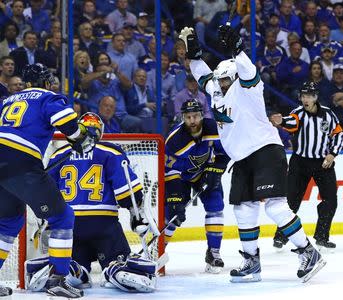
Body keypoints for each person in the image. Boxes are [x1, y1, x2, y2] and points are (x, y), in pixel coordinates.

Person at [180, 25, 326, 282]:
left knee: (275, 206)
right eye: (220, 80)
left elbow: (249, 70)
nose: (222, 84)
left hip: (266, 151)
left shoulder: (248, 87)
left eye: (226, 80)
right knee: (243, 209)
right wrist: (193, 53)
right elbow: (202, 73)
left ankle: (308, 252)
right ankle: (251, 262)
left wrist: (237, 49)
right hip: (241, 158)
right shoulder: (216, 88)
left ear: (235, 77)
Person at [25, 112, 156, 293]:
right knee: (117, 260)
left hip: (68, 225)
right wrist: (137, 216)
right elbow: (128, 192)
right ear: (99, 133)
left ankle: (71, 271)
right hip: (103, 224)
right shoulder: (110, 152)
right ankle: (116, 270)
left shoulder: (59, 154)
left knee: (75, 263)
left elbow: (44, 192)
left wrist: (45, 219)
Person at [0, 63, 95, 298]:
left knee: (8, 223)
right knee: (63, 216)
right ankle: (58, 280)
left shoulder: (8, 100)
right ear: (44, 81)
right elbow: (67, 122)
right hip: (21, 162)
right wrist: (80, 137)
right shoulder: (47, 96)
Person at [270, 81, 343, 250]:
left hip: (323, 164)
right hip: (300, 163)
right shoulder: (298, 113)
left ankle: (322, 236)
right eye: (303, 96)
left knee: (330, 200)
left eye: (309, 96)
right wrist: (281, 121)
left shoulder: (328, 114)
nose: (306, 99)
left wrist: (332, 154)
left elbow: (338, 134)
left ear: (316, 97)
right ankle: (281, 236)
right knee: (291, 201)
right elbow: (291, 122)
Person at [164, 99, 229, 274]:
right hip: (180, 177)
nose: (192, 120)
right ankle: (158, 250)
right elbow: (169, 171)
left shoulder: (212, 127)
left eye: (196, 116)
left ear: (202, 115)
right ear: (182, 117)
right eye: (188, 117)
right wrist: (175, 198)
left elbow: (225, 151)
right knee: (171, 214)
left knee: (216, 206)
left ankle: (213, 252)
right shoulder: (174, 140)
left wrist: (215, 171)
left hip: (203, 172)